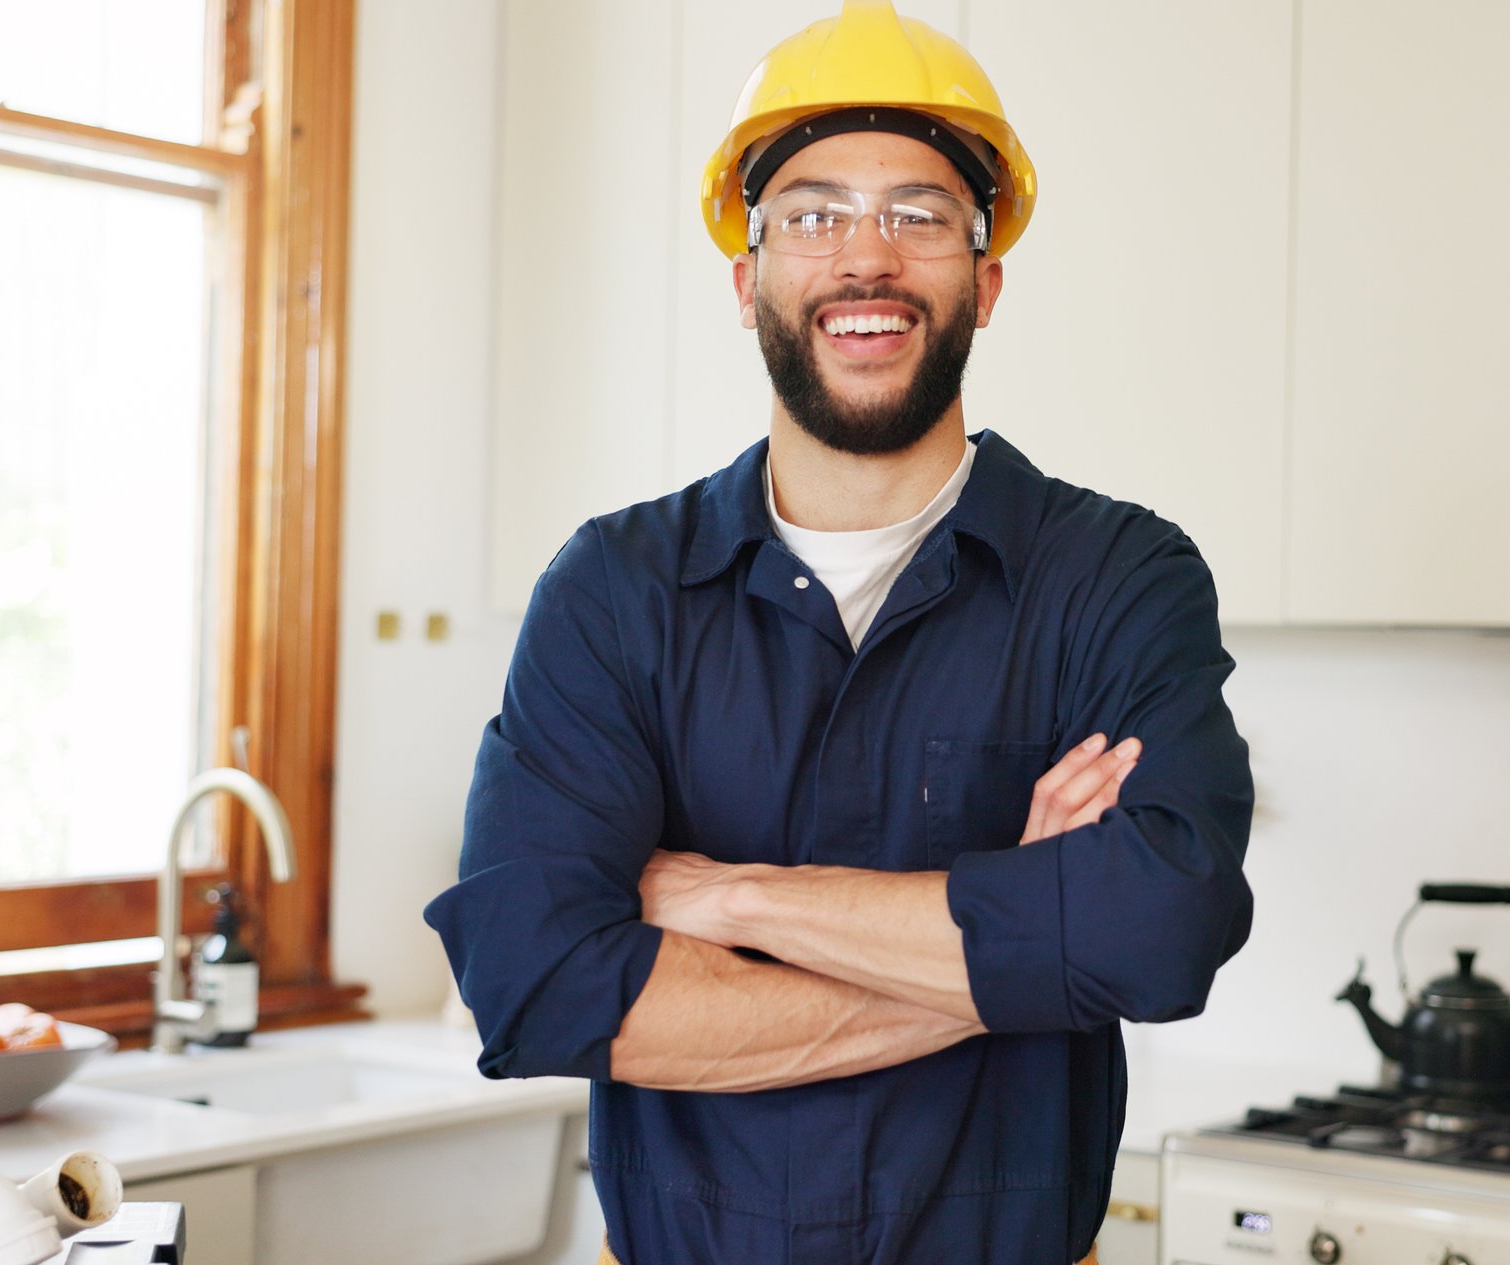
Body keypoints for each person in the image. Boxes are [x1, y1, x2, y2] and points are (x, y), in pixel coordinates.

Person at [423, 3, 1254, 1261]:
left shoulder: (1115, 575)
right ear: (749, 278)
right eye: (812, 214)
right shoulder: (616, 589)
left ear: (984, 280)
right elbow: (537, 981)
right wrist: (1020, 946)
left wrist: (723, 893)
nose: (866, 257)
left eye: (918, 214)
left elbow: (1158, 930)